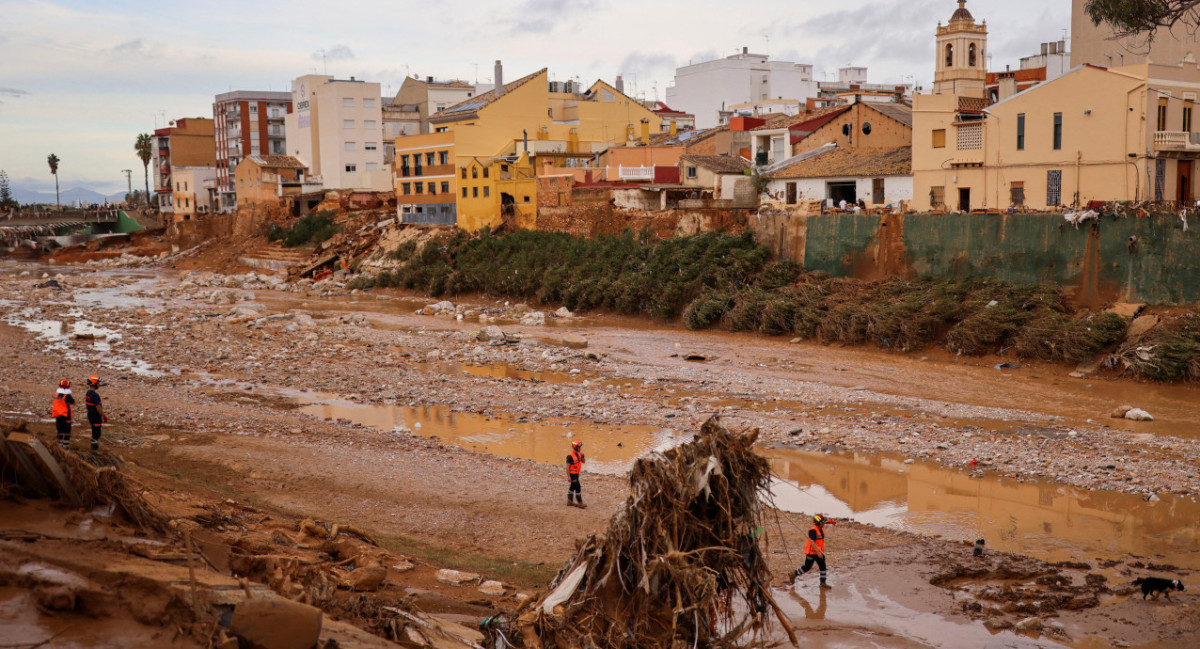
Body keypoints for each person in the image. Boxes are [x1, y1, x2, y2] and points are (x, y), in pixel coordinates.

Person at [791, 513, 835, 588]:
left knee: (823, 567)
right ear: (818, 523)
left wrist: (831, 522)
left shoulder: (820, 527)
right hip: (812, 553)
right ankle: (794, 574)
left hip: (819, 552)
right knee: (807, 567)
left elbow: (825, 521)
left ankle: (823, 583)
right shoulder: (813, 531)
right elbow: (812, 542)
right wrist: (818, 553)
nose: (824, 524)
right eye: (822, 523)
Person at [84, 375, 108, 451]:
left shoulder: (88, 393)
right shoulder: (95, 395)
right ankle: (94, 449)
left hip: (91, 415)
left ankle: (94, 447)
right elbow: (98, 407)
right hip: (95, 416)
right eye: (98, 383)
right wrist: (103, 415)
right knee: (96, 433)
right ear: (94, 383)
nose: (99, 385)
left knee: (95, 431)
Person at [52, 379, 75, 448]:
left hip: (58, 414)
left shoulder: (56, 394)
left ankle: (59, 444)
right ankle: (65, 445)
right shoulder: (67, 396)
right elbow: (73, 402)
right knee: (67, 430)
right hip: (66, 415)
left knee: (60, 429)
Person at [566, 440, 586, 508]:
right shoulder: (570, 456)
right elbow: (567, 468)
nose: (580, 448)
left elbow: (583, 462)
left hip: (577, 473)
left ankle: (569, 501)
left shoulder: (579, 454)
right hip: (572, 474)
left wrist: (583, 456)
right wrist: (568, 477)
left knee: (572, 487)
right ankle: (580, 503)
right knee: (578, 487)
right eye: (579, 447)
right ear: (575, 447)